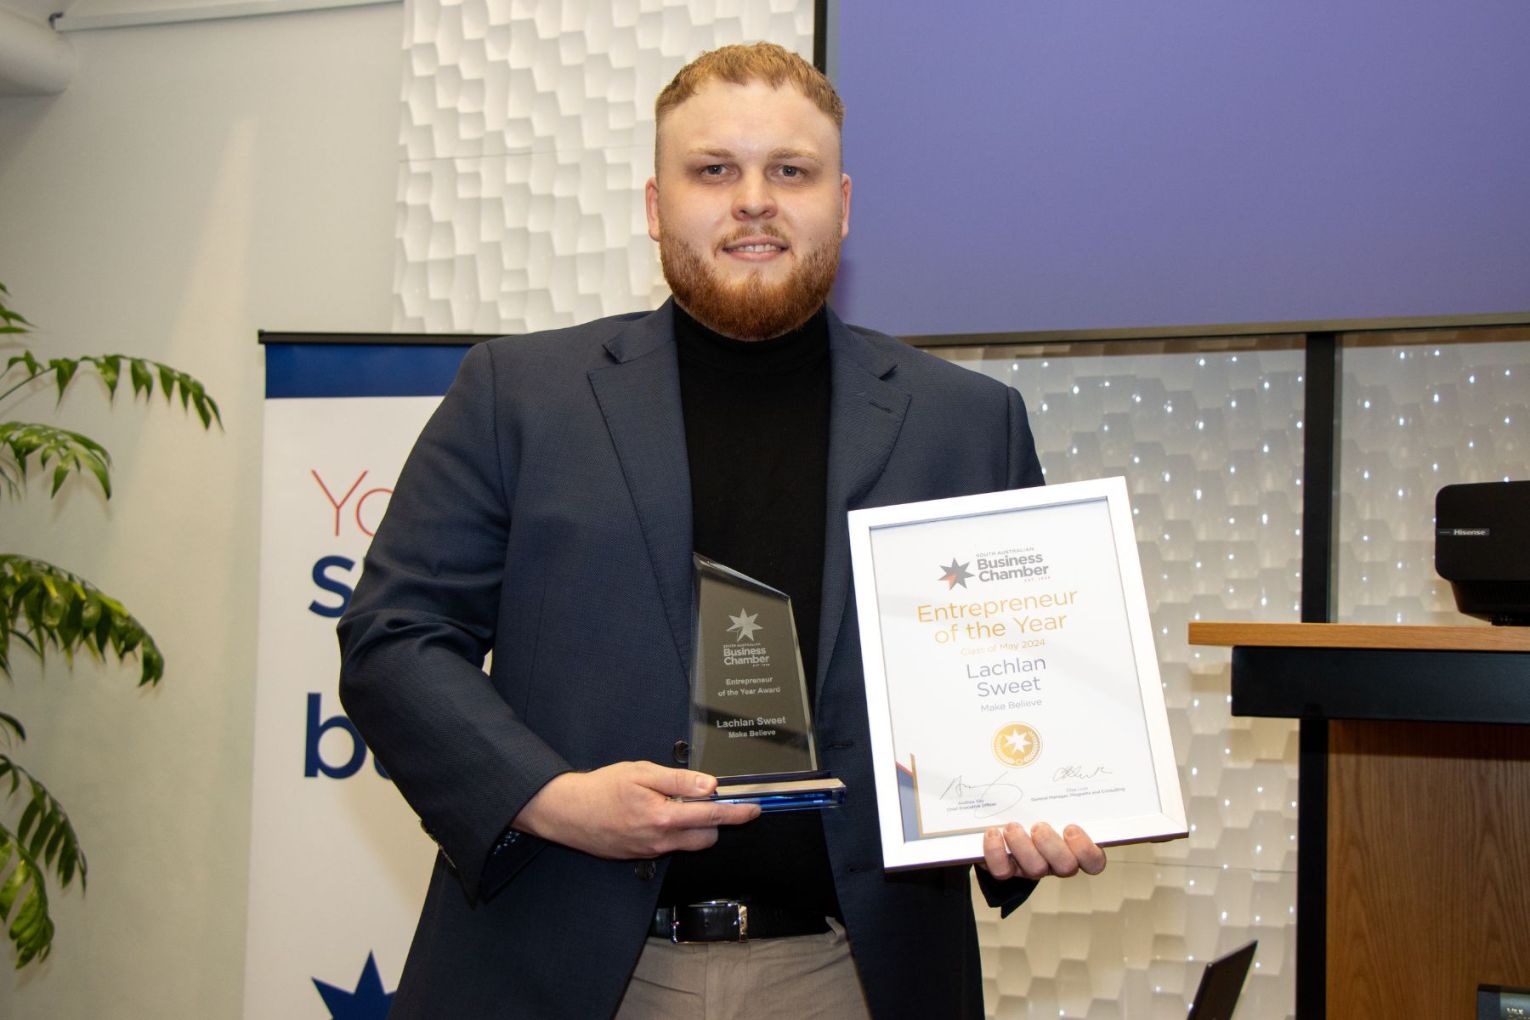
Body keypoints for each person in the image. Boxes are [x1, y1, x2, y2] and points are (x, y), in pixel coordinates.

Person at [338, 41, 1106, 1019]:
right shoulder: (518, 396)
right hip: (558, 965)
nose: (755, 199)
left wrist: (1026, 814)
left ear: (843, 203)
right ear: (658, 204)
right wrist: (554, 799)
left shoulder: (966, 423)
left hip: (850, 976)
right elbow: (395, 638)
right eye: (714, 170)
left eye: (792, 170)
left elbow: (1018, 687)